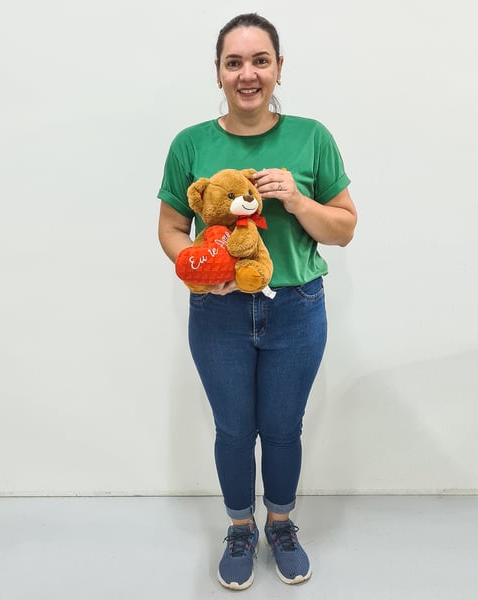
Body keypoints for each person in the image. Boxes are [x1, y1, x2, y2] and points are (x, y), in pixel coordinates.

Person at [157, 13, 357, 591]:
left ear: (279, 68)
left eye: (260, 61)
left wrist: (296, 200)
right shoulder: (190, 144)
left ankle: (281, 524)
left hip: (297, 308)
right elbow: (171, 228)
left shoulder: (312, 137)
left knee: (284, 428)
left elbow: (344, 229)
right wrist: (199, 270)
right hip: (217, 313)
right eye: (234, 62)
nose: (248, 74)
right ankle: (241, 528)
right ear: (218, 72)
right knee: (233, 430)